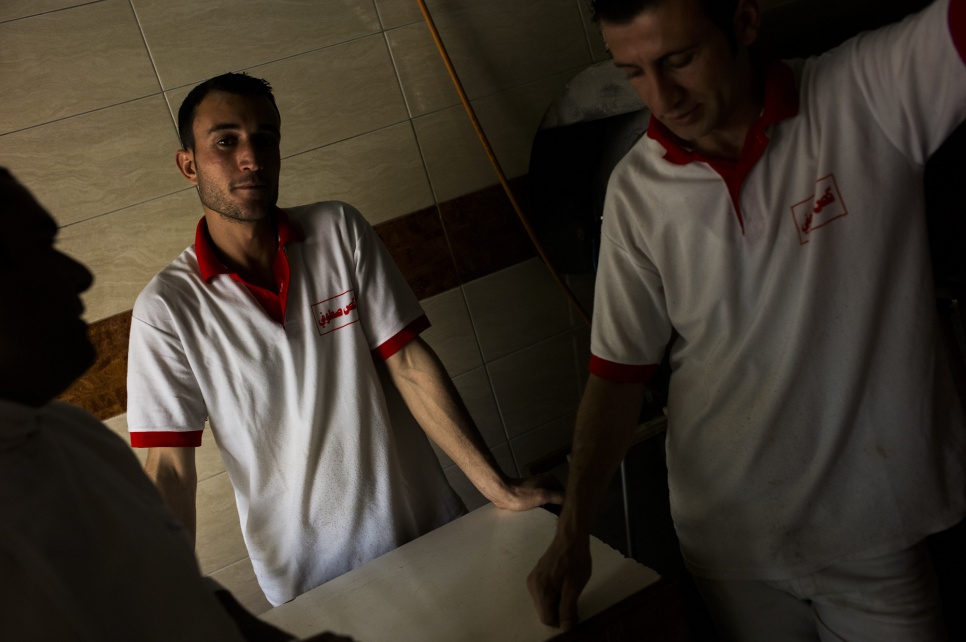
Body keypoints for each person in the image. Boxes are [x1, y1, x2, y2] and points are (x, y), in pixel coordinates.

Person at [527, 0, 966, 639]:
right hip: (730, 543)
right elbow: (618, 375)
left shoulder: (863, 94)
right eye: (635, 72)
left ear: (745, 23)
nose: (664, 96)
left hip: (873, 532)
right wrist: (572, 535)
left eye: (679, 60)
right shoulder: (636, 191)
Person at [125, 72, 562, 607]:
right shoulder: (167, 309)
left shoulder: (338, 231)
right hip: (313, 582)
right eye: (226, 140)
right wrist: (164, 606)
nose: (251, 158)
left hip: (427, 526)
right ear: (188, 164)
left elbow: (408, 364)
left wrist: (497, 486)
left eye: (266, 138)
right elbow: (170, 471)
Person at [0, 167, 354, 642]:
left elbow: (182, 595)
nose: (80, 276)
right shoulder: (167, 305)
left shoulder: (72, 433)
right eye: (38, 251)